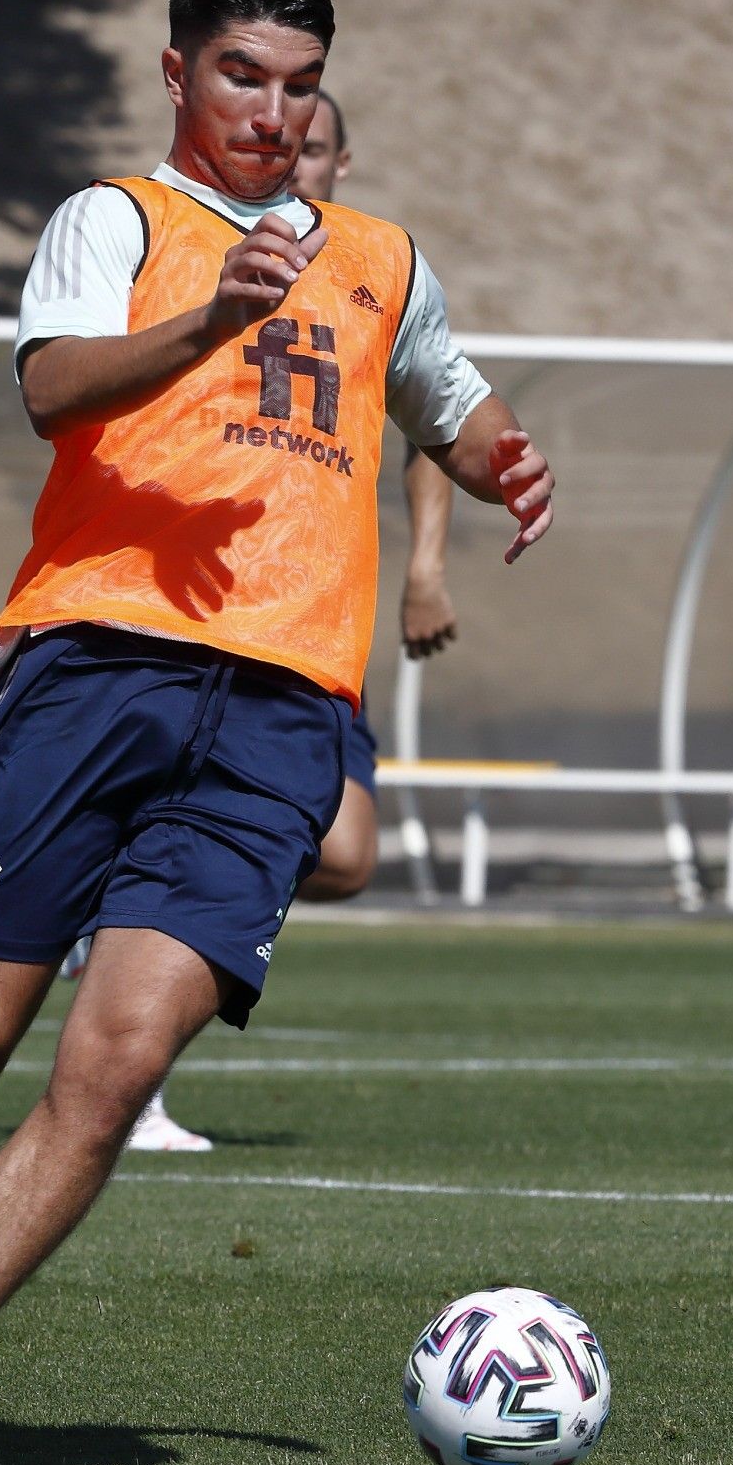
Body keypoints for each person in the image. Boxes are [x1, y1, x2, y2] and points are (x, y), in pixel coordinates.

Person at [0, 0, 555, 1465]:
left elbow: (445, 394)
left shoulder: (381, 259)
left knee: (119, 1060)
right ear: (180, 77)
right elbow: (55, 387)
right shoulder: (118, 220)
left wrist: (499, 459)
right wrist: (209, 321)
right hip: (91, 674)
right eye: (241, 77)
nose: (271, 112)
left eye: (299, 85)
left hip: (280, 712)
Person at [118, 86, 461, 1154]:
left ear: (340, 163)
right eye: (282, 141)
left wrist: (428, 568)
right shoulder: (200, 254)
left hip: (316, 613)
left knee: (348, 854)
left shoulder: (371, 272)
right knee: (211, 858)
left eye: (315, 147)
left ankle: (130, 869)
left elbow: (436, 420)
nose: (295, 157)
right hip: (203, 609)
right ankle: (134, 1069)